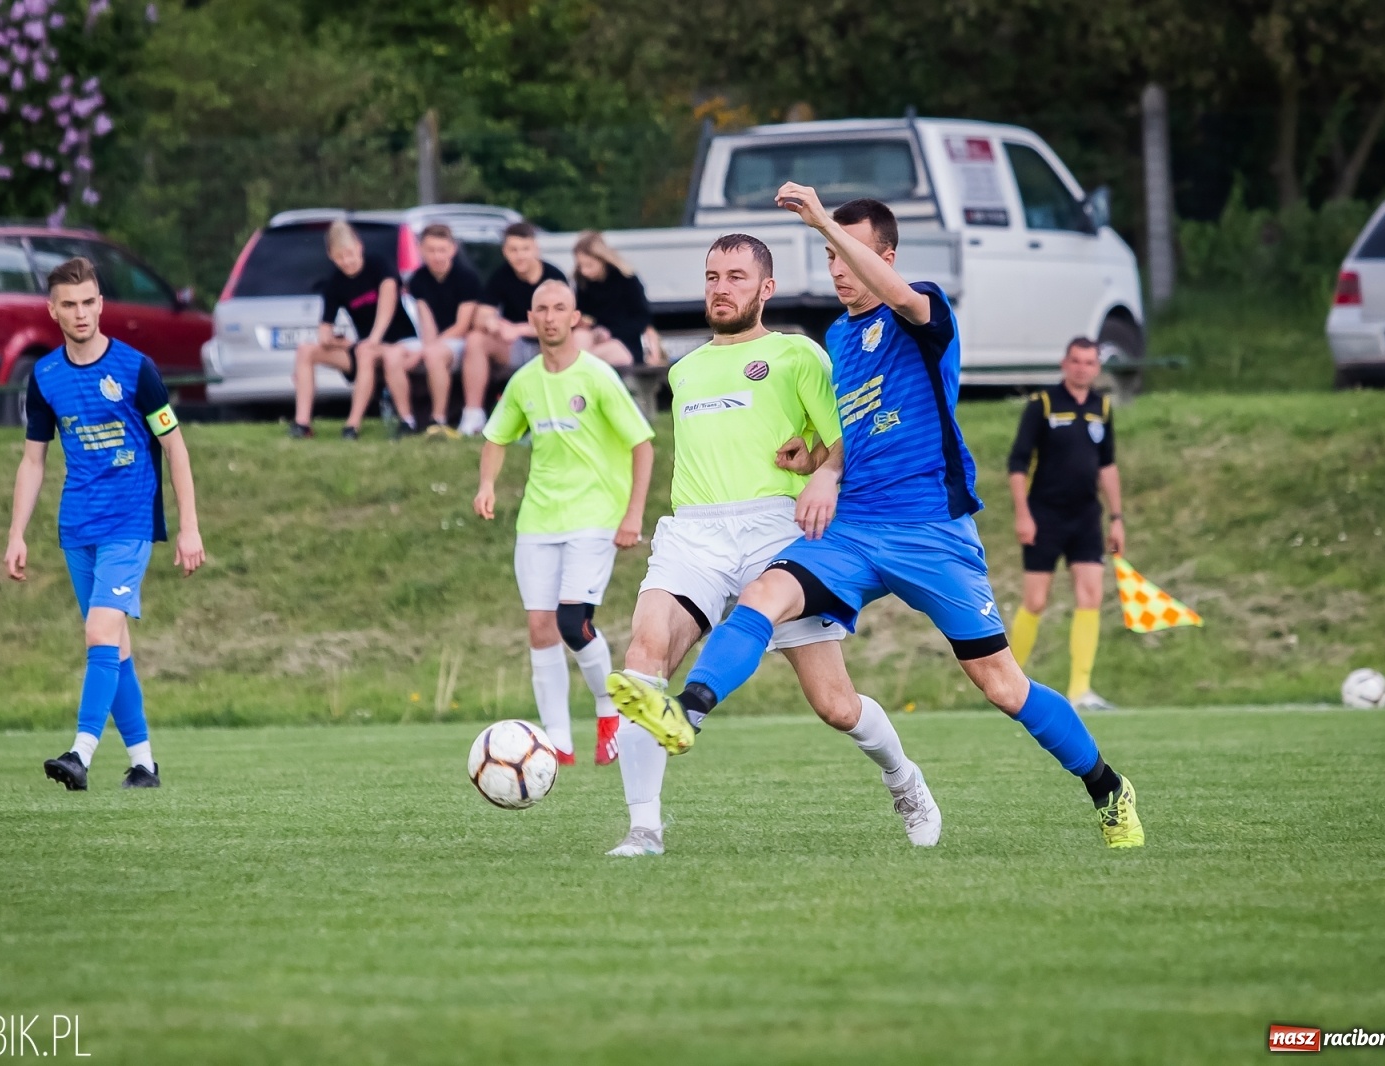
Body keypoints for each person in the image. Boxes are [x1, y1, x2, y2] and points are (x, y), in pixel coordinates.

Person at [613, 188, 1144, 850]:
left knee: (1002, 685)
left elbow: (898, 298)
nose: (837, 269)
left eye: (848, 253)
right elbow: (854, 435)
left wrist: (818, 219)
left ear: (883, 257)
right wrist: (819, 464)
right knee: (764, 594)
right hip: (856, 531)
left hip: (931, 533)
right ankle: (686, 711)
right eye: (830, 256)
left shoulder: (923, 311)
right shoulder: (839, 336)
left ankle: (1105, 785)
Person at [600, 233, 938, 858]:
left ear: (765, 288)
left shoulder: (797, 355)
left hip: (776, 529)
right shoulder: (684, 369)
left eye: (734, 277)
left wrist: (821, 472)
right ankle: (644, 829)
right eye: (711, 277)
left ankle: (903, 777)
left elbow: (848, 441)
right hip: (694, 530)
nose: (720, 288)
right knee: (643, 660)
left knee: (835, 705)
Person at [4, 256, 205, 791]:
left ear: (100, 304)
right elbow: (33, 460)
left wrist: (189, 527)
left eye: (89, 302)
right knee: (111, 646)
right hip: (77, 527)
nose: (81, 313)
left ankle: (80, 752)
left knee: (98, 631)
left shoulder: (137, 370)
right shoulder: (44, 377)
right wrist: (16, 532)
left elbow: (175, 447)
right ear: (53, 311)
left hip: (130, 520)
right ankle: (144, 765)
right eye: (69, 305)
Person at [473, 279, 655, 766]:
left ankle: (608, 708)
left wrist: (633, 514)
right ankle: (557, 743)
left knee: (573, 622)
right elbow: (496, 436)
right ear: (530, 318)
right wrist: (487, 484)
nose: (550, 317)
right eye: (541, 309)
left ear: (575, 317)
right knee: (539, 628)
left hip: (595, 516)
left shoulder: (597, 376)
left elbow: (643, 444)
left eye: (560, 308)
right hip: (538, 519)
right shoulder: (524, 381)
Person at [1007, 337, 1126, 711]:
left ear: (1096, 368)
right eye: (1076, 361)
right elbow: (1017, 464)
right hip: (1044, 515)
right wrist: (1023, 514)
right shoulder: (1042, 404)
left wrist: (1117, 518)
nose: (1082, 368)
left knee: (1090, 596)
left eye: (1089, 363)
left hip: (1087, 517)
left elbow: (1107, 465)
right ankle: (1006, 682)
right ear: (1065, 363)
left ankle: (1080, 690)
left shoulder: (1101, 407)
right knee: (1036, 601)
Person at [291, 219, 415, 440]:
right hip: (364, 346)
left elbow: (389, 299)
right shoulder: (334, 283)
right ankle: (302, 423)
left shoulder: (379, 264)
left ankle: (353, 424)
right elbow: (324, 332)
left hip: (398, 341)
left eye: (350, 254)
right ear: (331, 256)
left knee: (365, 351)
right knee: (306, 350)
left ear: (359, 247)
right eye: (340, 257)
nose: (346, 262)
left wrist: (374, 338)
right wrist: (343, 342)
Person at [457, 222, 568, 436]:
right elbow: (482, 314)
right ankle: (473, 416)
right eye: (513, 250)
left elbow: (562, 325)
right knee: (475, 339)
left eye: (525, 249)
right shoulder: (500, 276)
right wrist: (493, 323)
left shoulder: (554, 278)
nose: (520, 256)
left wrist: (519, 329)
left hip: (548, 348)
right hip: (514, 347)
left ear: (536, 249)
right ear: (504, 252)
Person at [385, 224, 483, 439]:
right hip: (432, 341)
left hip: (460, 343)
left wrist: (424, 351)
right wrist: (426, 347)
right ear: (420, 250)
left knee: (433, 354)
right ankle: (406, 420)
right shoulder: (418, 280)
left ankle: (438, 419)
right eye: (431, 250)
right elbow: (425, 321)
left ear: (452, 249)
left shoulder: (467, 278)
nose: (437, 256)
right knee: (392, 355)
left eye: (442, 250)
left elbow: (462, 325)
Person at [571, 230, 652, 367]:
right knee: (580, 336)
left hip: (623, 341)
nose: (584, 271)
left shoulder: (627, 280)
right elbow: (584, 314)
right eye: (581, 266)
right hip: (595, 338)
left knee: (606, 351)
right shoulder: (583, 283)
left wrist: (611, 332)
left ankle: (574, 364)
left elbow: (642, 319)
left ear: (602, 260)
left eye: (589, 265)